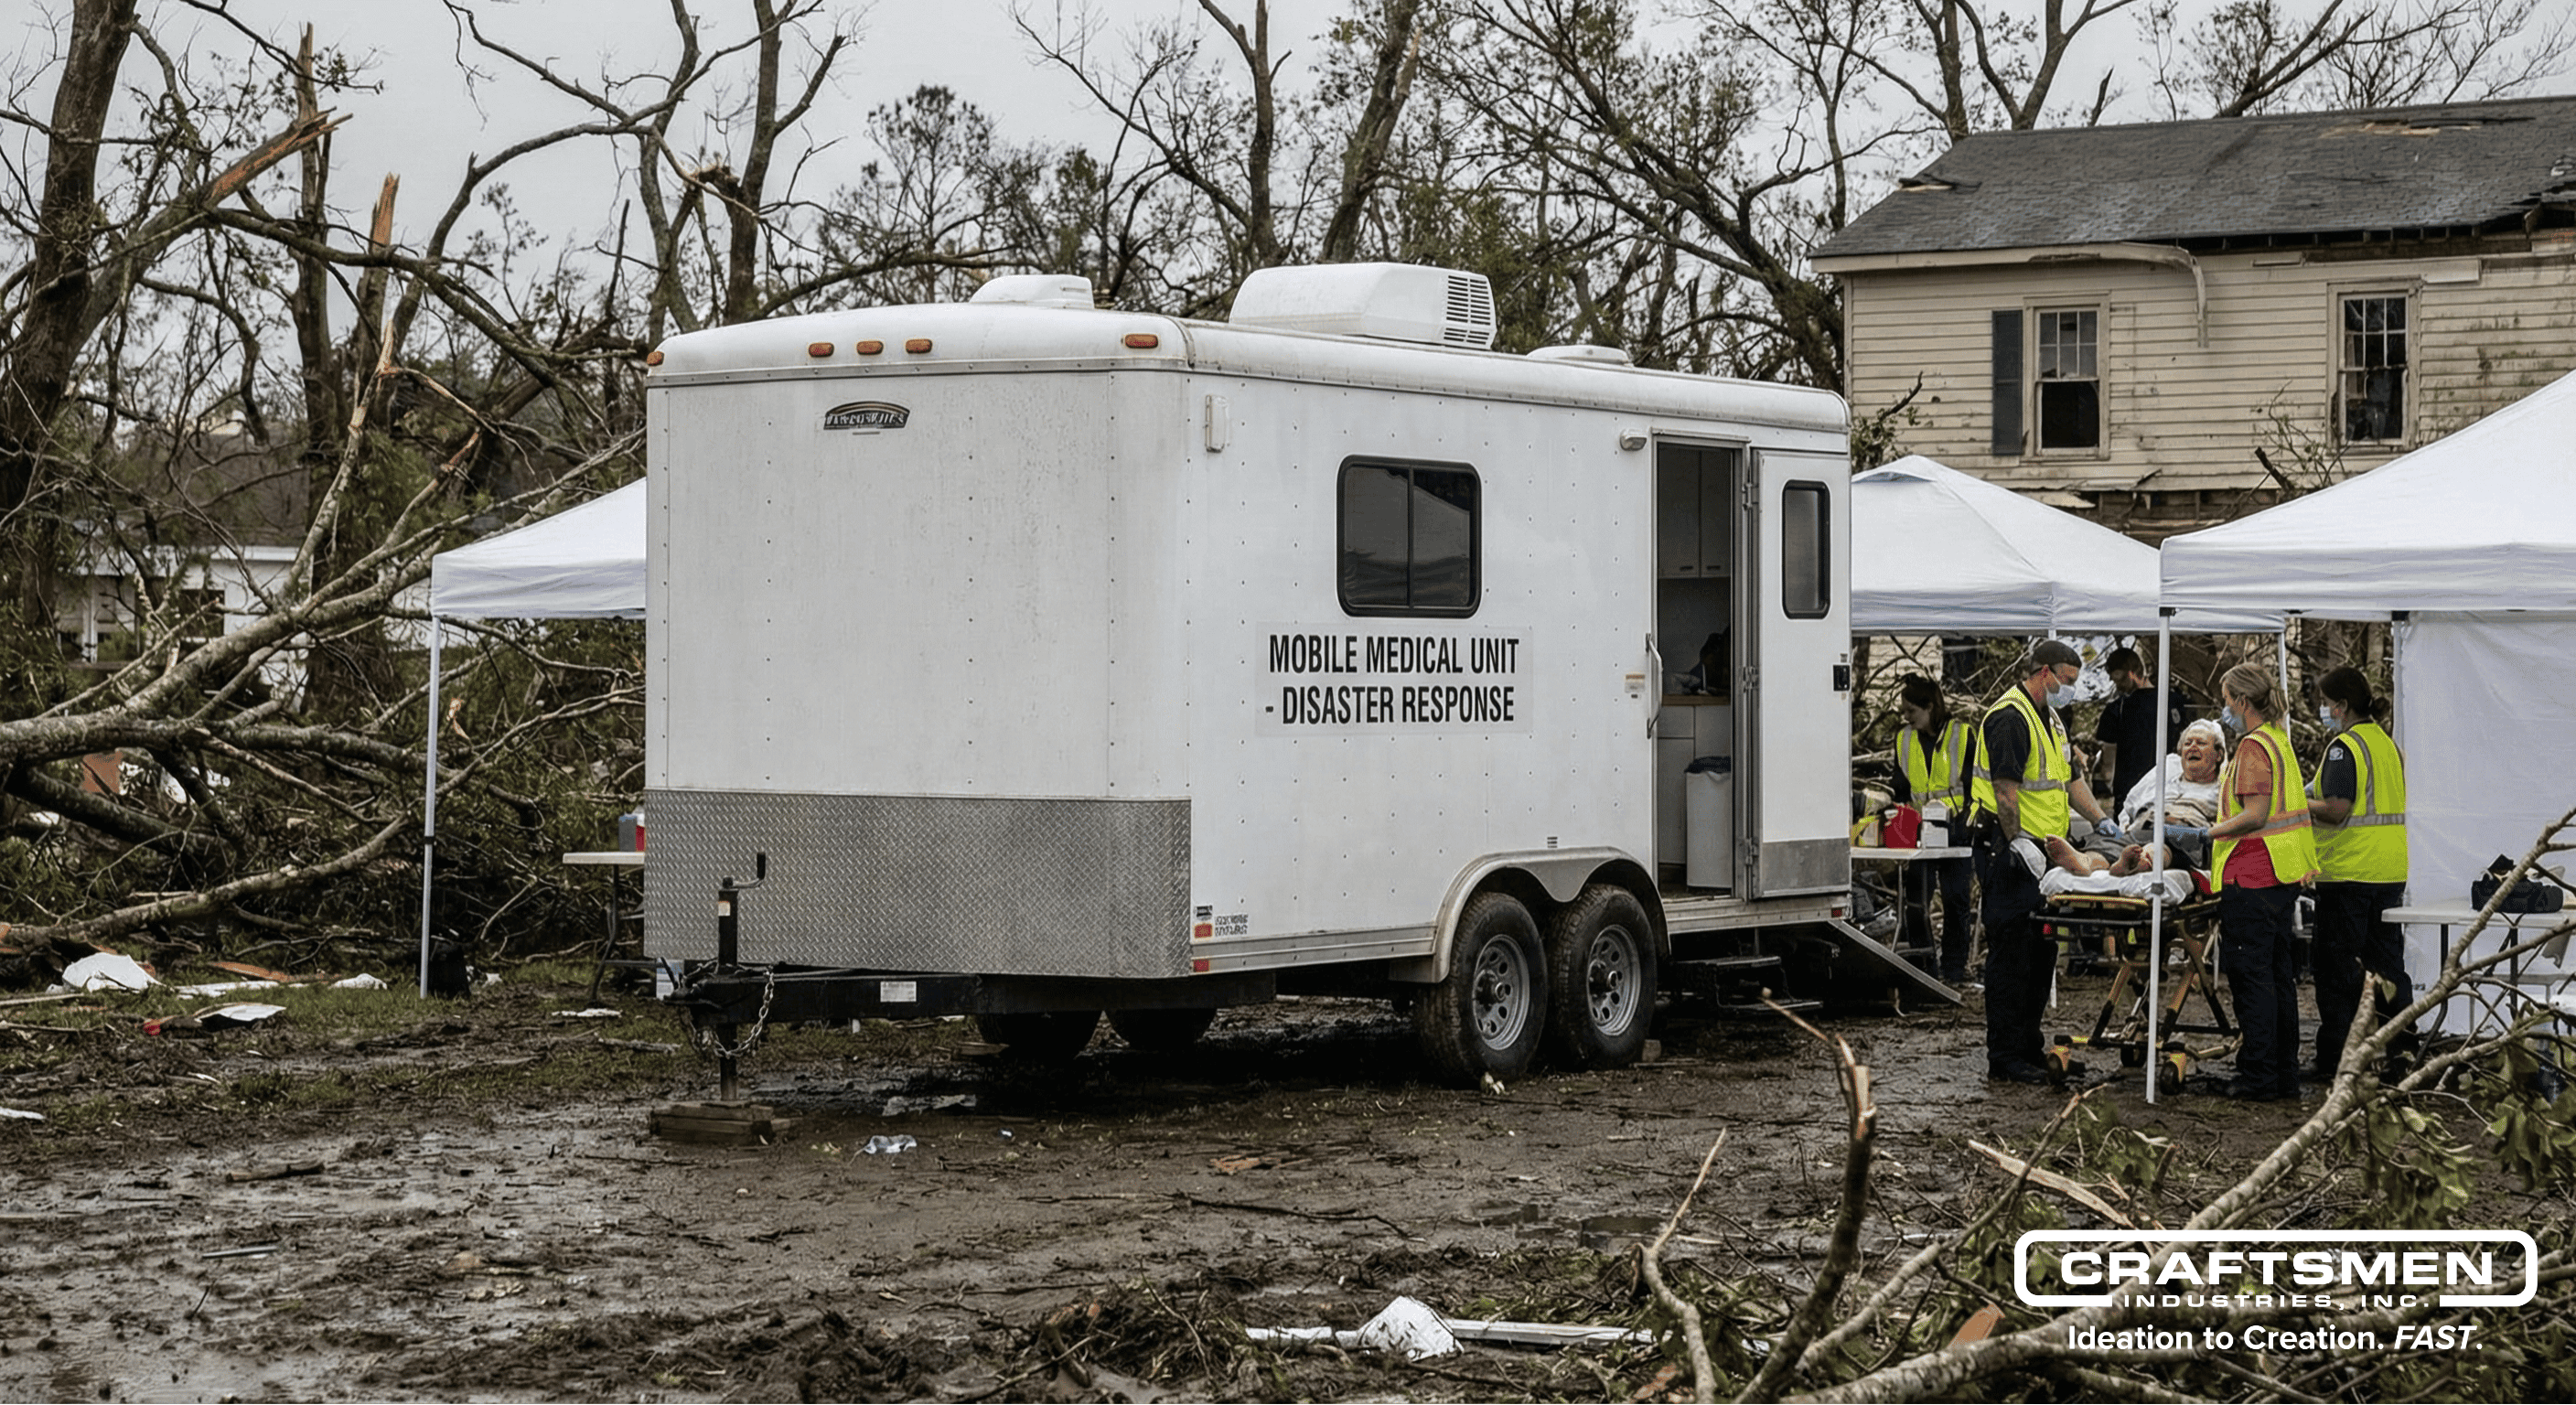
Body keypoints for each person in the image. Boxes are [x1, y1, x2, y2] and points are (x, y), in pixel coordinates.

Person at [1970, 638, 2120, 1084]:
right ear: (2044, 673)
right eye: (2067, 681)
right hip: (2011, 852)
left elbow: (2069, 780)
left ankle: (2028, 1046)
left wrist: (2100, 821)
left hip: (2046, 852)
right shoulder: (2009, 718)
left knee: (2039, 953)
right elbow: (2005, 792)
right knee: (2012, 955)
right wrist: (2018, 841)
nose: (2069, 690)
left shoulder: (2050, 719)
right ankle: (2005, 1055)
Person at [2204, 661, 2320, 1101]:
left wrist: (2205, 834)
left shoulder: (2253, 746)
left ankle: (2258, 1076)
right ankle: (2282, 1073)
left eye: (2227, 698)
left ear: (2243, 701)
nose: (2224, 707)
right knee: (2278, 977)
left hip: (2252, 875)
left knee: (2253, 981)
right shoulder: (2278, 740)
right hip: (2280, 873)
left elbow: (2255, 814)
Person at [2307, 666, 2416, 1079]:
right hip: (2388, 869)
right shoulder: (2386, 744)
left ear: (2342, 705)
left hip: (2349, 872)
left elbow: (2337, 810)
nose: (2322, 709)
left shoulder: (2344, 748)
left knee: (2338, 971)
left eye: (2324, 702)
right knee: (2388, 966)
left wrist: (2297, 803)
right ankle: (2402, 1053)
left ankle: (2337, 1058)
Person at [1891, 674, 1976, 985]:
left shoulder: (1963, 735)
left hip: (1955, 829)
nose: (1906, 717)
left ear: (1930, 707)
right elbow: (1899, 788)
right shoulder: (1903, 739)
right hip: (1917, 832)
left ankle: (1953, 971)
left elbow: (1977, 785)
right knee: (1916, 903)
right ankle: (1924, 969)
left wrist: (1968, 821)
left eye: (1911, 711)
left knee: (1956, 903)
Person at [2093, 647, 2195, 806]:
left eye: (2120, 681)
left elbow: (2108, 761)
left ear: (2132, 673)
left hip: (2134, 794)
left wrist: (2109, 782)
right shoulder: (2173, 701)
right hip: (2167, 790)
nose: (2118, 687)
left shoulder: (2116, 710)